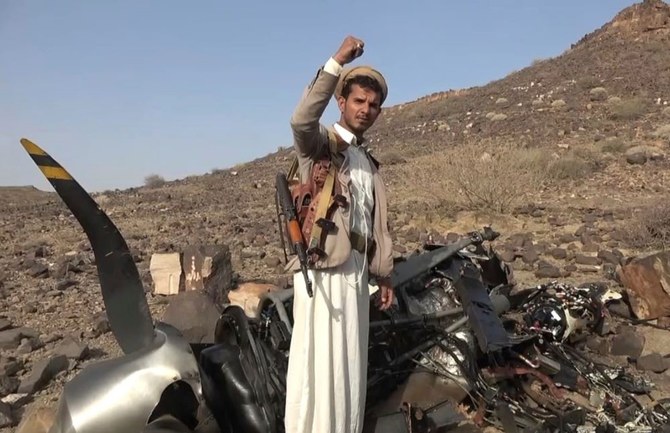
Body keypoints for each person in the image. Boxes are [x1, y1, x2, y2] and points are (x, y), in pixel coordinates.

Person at [283, 35, 395, 433]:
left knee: (348, 369)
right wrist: (336, 62)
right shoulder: (320, 146)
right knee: (319, 370)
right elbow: (300, 120)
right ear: (341, 102)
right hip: (323, 273)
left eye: (373, 105)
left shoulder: (367, 161)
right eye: (358, 101)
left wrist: (383, 275)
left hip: (356, 275)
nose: (365, 110)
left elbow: (374, 223)